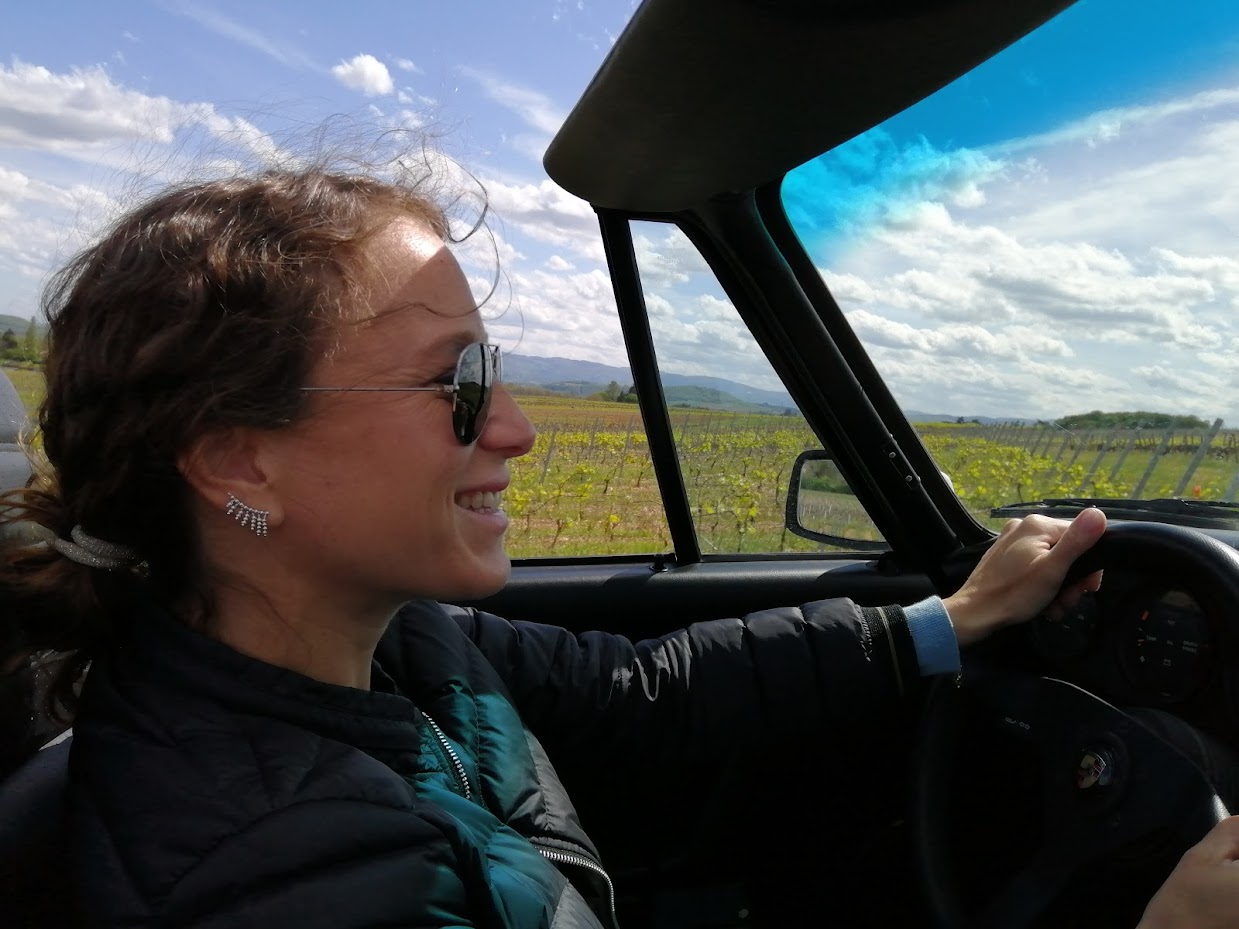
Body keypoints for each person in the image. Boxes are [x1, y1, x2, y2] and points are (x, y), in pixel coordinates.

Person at [0, 165, 1226, 928]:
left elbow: (645, 689)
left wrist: (947, 621)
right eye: (458, 382)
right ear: (237, 459)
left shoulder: (393, 642)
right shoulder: (286, 871)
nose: (518, 428)